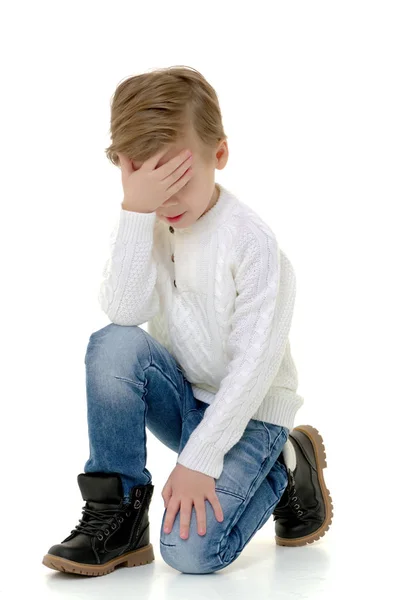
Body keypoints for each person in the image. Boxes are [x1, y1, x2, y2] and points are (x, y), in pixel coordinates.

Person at [42, 65, 333, 577]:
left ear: (218, 154)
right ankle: (118, 517)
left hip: (250, 417)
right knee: (113, 344)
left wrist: (200, 459)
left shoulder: (252, 244)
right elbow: (124, 313)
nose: (166, 200)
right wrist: (135, 211)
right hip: (184, 401)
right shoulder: (149, 219)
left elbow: (252, 371)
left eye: (178, 178)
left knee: (190, 552)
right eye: (150, 181)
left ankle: (287, 463)